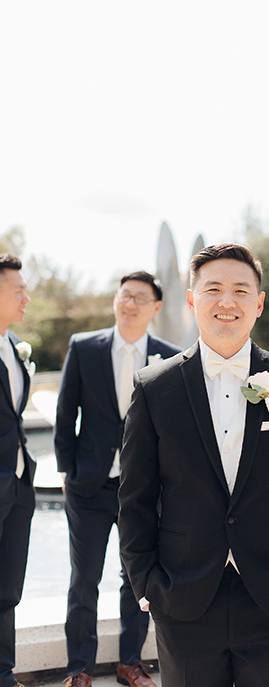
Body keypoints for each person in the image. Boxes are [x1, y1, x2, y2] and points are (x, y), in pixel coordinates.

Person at [118, 243, 269, 687]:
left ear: (258, 303)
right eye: (213, 289)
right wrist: (146, 584)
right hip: (181, 597)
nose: (227, 301)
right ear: (191, 300)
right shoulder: (153, 387)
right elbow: (135, 498)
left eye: (241, 290)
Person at [54, 271, 180, 687]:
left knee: (136, 578)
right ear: (115, 300)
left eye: (140, 298)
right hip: (89, 486)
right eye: (124, 295)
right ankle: (80, 668)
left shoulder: (170, 356)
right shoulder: (84, 347)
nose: (129, 304)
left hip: (142, 491)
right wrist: (69, 471)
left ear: (156, 308)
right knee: (84, 578)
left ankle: (131, 662)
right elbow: (64, 412)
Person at [0, 254, 35, 687]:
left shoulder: (13, 345)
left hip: (20, 484)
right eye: (17, 290)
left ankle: (4, 674)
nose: (27, 297)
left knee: (8, 590)